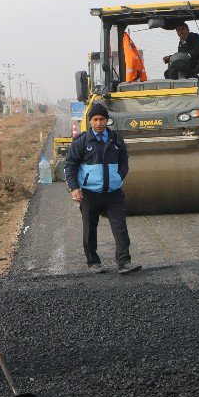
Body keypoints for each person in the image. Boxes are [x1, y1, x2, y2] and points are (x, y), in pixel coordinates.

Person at [64, 102, 142, 275]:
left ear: (107, 121)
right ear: (90, 121)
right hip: (90, 194)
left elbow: (124, 160)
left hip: (114, 194)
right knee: (90, 229)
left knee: (120, 228)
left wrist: (119, 177)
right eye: (95, 119)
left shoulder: (115, 139)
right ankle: (93, 262)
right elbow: (70, 165)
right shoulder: (82, 141)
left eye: (102, 119)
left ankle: (124, 263)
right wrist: (74, 187)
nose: (98, 123)